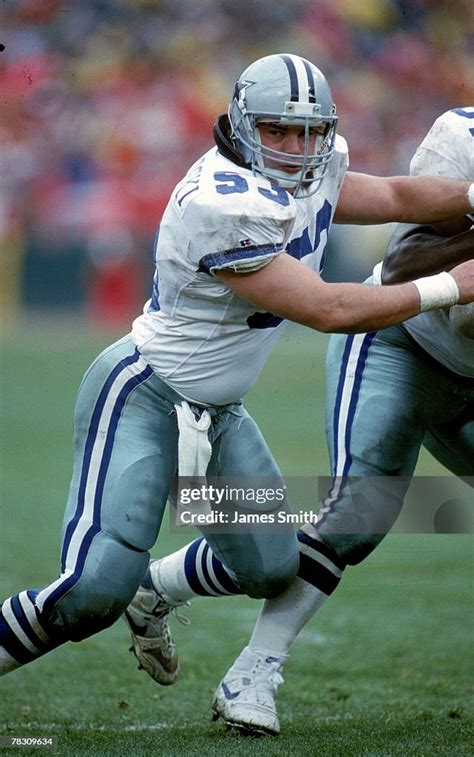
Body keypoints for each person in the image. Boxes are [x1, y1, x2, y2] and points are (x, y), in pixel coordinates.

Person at [2, 56, 474, 683]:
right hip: (146, 396)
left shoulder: (314, 169)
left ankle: (152, 591)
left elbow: (393, 194)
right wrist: (452, 285)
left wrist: (470, 195)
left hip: (220, 417)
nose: (297, 147)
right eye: (278, 130)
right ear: (243, 124)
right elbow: (329, 308)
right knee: (92, 592)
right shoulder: (222, 203)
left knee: (273, 568)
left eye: (310, 132)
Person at [129, 105, 473, 735]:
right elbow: (404, 265)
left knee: (283, 545)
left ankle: (157, 582)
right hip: (406, 342)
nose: (296, 146)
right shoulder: (463, 133)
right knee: (358, 515)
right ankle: (254, 673)